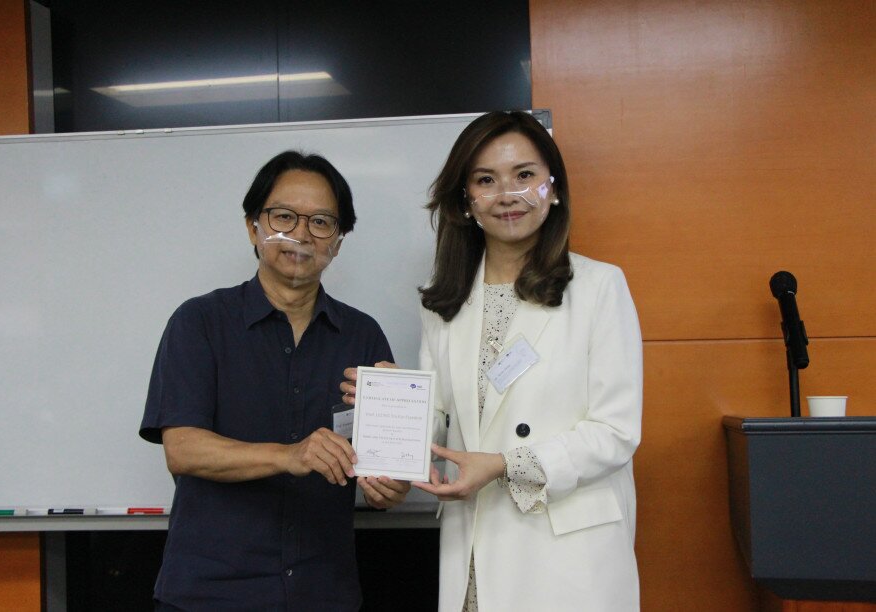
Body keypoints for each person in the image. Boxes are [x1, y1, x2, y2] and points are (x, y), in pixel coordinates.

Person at [345, 111, 642, 610]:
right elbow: (444, 421)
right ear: (466, 201)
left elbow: (615, 433)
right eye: (486, 180)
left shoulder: (598, 287)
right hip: (475, 550)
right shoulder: (443, 302)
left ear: (554, 188)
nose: (508, 194)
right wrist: (400, 405)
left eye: (525, 175)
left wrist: (505, 464)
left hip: (564, 554)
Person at [140, 151, 410, 611]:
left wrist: (392, 485)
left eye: (321, 222)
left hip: (323, 593)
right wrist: (290, 455)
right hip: (211, 593)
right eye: (284, 216)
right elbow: (182, 449)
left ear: (338, 242)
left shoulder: (363, 335)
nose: (301, 234)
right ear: (254, 227)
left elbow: (381, 461)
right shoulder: (199, 322)